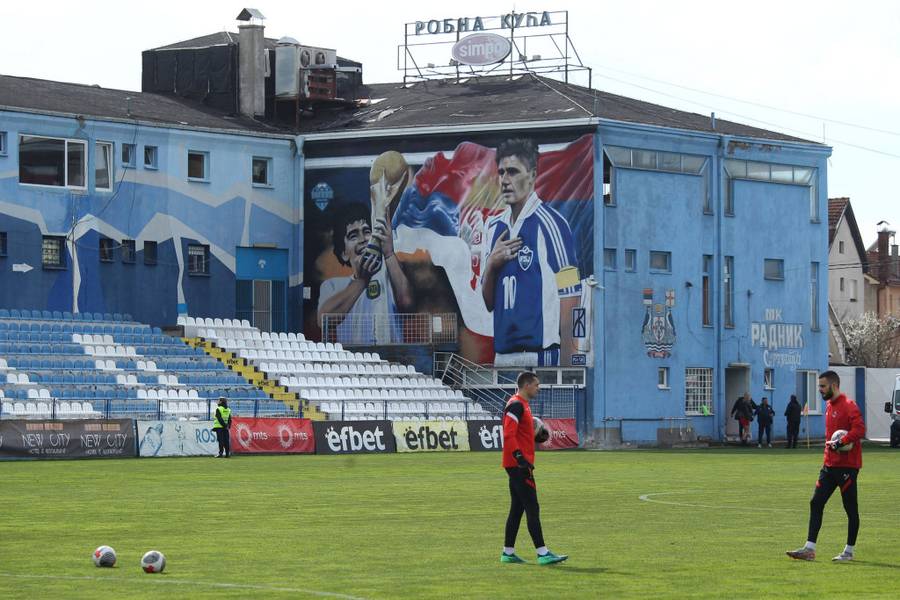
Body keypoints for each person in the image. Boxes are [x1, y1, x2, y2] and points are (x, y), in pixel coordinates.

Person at [482, 138, 581, 368]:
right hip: (503, 355)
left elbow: (571, 296)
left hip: (540, 356)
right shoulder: (494, 227)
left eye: (513, 172)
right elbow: (488, 303)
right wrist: (491, 265)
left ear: (533, 175)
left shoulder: (552, 224)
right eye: (501, 172)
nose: (505, 180)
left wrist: (567, 369)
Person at [786, 370, 865, 562]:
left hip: (847, 467)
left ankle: (849, 551)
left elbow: (860, 429)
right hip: (829, 466)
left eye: (822, 386)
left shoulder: (849, 405)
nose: (819, 390)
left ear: (834, 386)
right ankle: (809, 549)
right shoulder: (829, 406)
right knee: (816, 502)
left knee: (850, 509)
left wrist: (842, 441)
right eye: (819, 386)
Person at [318, 203, 413, 344]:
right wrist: (362, 280)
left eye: (367, 231)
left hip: (392, 359)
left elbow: (407, 303)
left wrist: (388, 253)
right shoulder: (332, 285)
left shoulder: (389, 273)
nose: (363, 239)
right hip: (352, 362)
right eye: (353, 235)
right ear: (344, 253)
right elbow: (323, 321)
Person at [500, 371, 568, 565]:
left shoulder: (523, 406)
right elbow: (508, 434)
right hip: (519, 465)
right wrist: (520, 458)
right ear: (527, 385)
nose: (539, 388)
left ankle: (508, 553)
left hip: (516, 463)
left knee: (517, 508)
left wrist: (534, 436)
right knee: (532, 507)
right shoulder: (516, 404)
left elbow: (519, 433)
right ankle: (543, 553)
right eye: (536, 385)